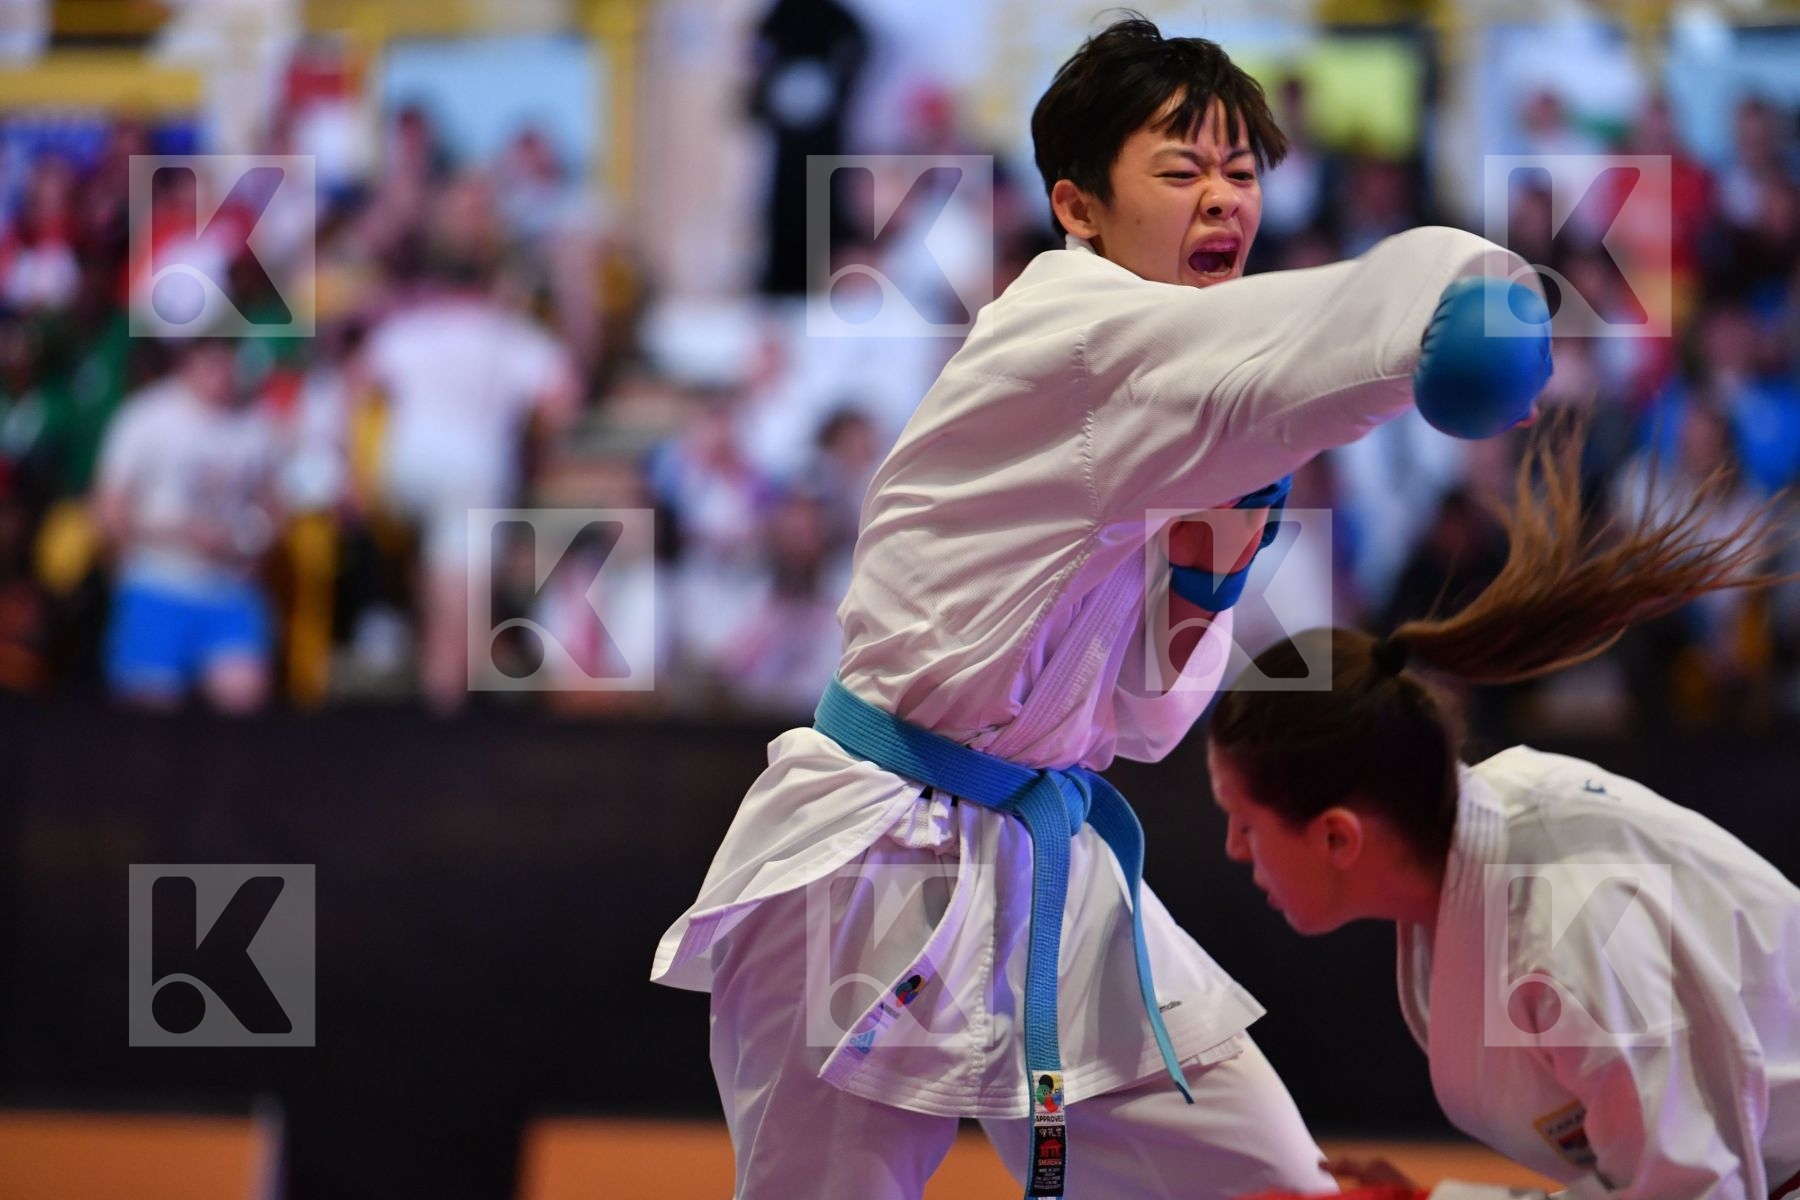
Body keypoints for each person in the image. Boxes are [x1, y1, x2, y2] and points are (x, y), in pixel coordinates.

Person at [652, 16, 1549, 1199]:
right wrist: (1464, 291)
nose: (1224, 201)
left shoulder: (1182, 418)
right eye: (1181, 172)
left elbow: (1144, 723)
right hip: (873, 857)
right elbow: (1323, 334)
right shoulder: (1074, 334)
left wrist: (1202, 580)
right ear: (1078, 206)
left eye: (1242, 174)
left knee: (1273, 1182)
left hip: (1047, 853)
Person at [1206, 418, 1800, 1200]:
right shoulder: (1469, 872)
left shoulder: (1558, 932)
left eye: (1247, 822)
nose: (1232, 851)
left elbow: (1698, 1195)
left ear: (1337, 835)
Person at [93, 339, 280, 712]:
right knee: (148, 715)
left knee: (244, 706)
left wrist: (251, 538)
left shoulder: (255, 423)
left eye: (230, 359)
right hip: (159, 584)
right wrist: (183, 534)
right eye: (211, 360)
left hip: (230, 588)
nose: (222, 372)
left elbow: (273, 504)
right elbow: (107, 511)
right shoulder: (146, 417)